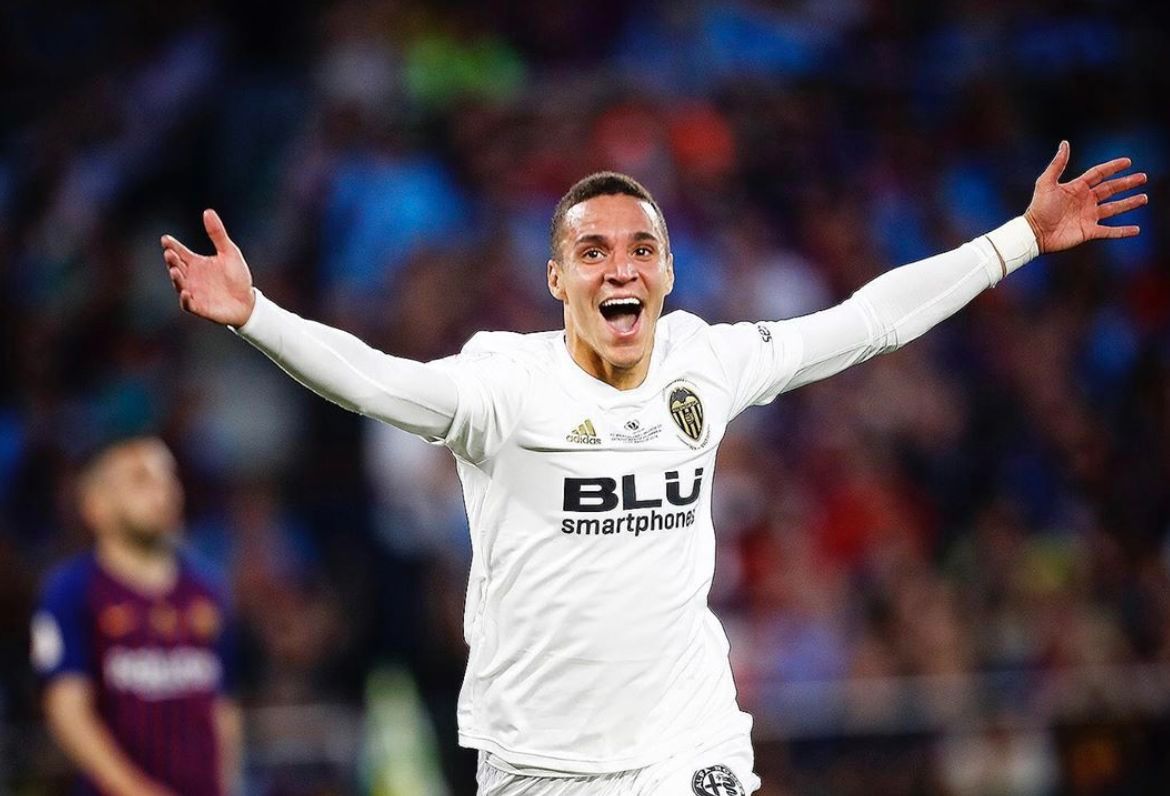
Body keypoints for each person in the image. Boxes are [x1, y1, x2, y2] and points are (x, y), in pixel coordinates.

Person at [161, 141, 1144, 795]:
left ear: (670, 273)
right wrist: (258, 316)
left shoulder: (704, 359)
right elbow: (374, 382)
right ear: (556, 279)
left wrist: (1017, 238)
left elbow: (869, 322)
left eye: (642, 248)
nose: (620, 265)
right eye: (592, 250)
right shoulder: (504, 382)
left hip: (688, 743)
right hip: (541, 759)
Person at [30, 437, 242, 796]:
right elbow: (67, 708)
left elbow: (223, 706)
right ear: (96, 506)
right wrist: (134, 790)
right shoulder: (71, 590)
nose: (164, 491)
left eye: (168, 477)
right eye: (140, 479)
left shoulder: (208, 589)